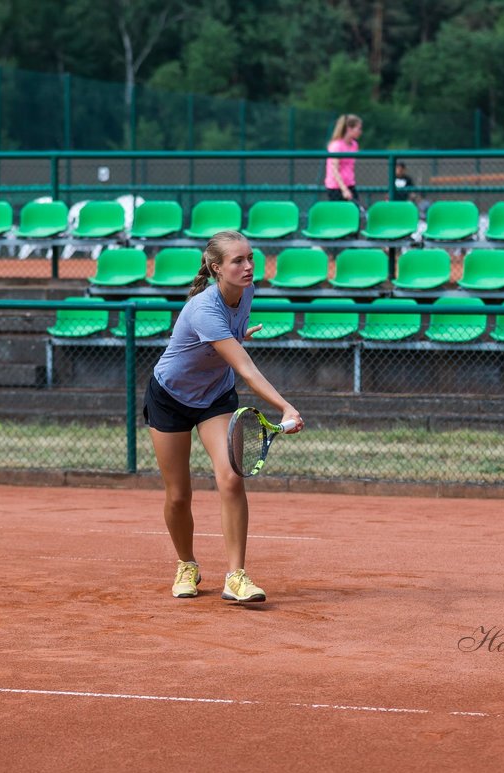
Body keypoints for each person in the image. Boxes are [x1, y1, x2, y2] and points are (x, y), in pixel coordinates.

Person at [144, 230, 304, 604]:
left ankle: (236, 576)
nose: (249, 267)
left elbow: (230, 352)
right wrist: (286, 408)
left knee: (231, 478)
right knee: (179, 495)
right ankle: (187, 564)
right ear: (216, 268)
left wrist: (234, 336)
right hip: (169, 396)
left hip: (214, 396)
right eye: (238, 261)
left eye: (250, 258)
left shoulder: (246, 291)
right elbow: (246, 369)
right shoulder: (203, 307)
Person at [324, 114, 363, 203]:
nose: (360, 131)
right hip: (336, 187)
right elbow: (335, 170)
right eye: (358, 128)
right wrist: (344, 190)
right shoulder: (336, 146)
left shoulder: (354, 145)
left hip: (350, 184)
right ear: (349, 128)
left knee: (356, 213)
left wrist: (349, 185)